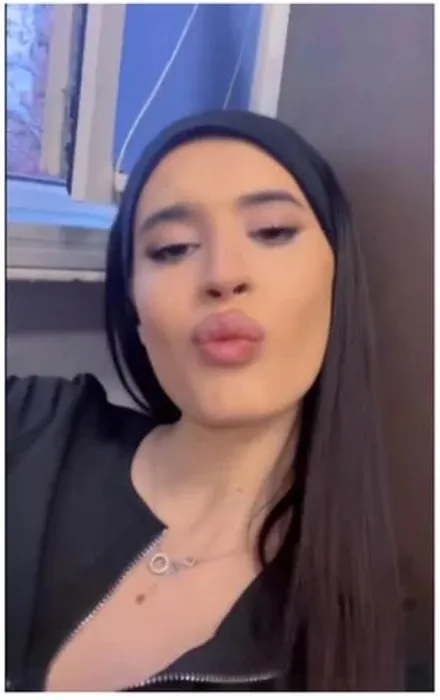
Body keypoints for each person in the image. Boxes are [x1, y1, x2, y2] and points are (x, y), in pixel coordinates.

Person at [6, 110, 404, 691]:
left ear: (338, 281)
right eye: (172, 248)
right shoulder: (27, 427)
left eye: (272, 232)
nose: (222, 275)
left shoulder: (359, 644)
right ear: (134, 308)